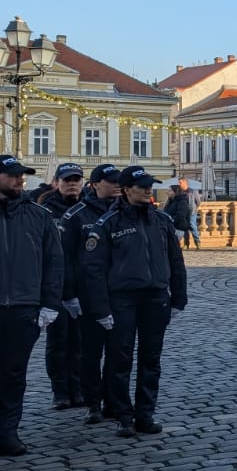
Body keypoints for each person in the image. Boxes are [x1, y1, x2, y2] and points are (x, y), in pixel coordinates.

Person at [81, 165, 188, 436]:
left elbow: (176, 261)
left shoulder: (162, 220)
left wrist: (179, 297)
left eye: (150, 186)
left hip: (155, 296)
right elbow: (94, 270)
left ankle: (145, 414)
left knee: (151, 359)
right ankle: (123, 415)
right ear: (127, 189)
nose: (148, 190)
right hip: (122, 299)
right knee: (120, 359)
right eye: (142, 187)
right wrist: (101, 308)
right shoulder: (108, 223)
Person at [0, 153, 63, 457]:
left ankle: (8, 432)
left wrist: (49, 304)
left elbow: (54, 262)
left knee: (14, 374)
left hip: (24, 307)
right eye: (12, 175)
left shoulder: (39, 216)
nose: (19, 179)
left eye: (21, 175)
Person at [60, 164, 121, 425]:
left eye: (120, 181)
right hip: (88, 295)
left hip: (120, 294)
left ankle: (113, 401)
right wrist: (69, 294)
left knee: (119, 353)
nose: (117, 185)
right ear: (95, 184)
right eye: (111, 181)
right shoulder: (76, 215)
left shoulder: (124, 212)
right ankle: (93, 402)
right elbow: (66, 259)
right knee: (90, 354)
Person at [39, 163, 86, 409]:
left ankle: (78, 389)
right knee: (58, 342)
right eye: (67, 180)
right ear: (57, 182)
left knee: (80, 342)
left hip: (83, 286)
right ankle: (60, 391)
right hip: (56, 286)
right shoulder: (46, 210)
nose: (72, 183)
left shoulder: (88, 207)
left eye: (76, 179)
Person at [165, 181, 199, 249]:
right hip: (171, 225)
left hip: (178, 226)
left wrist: (171, 220)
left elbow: (181, 215)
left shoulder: (183, 200)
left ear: (175, 192)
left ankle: (194, 242)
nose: (167, 192)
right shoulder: (170, 201)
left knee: (192, 227)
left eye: (170, 191)